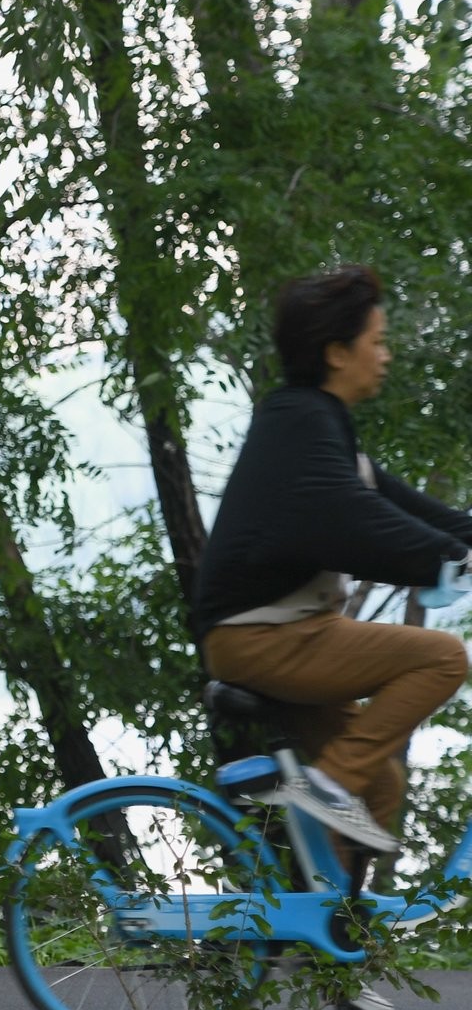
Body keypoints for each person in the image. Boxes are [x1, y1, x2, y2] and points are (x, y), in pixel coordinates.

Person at [194, 265, 472, 841]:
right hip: (263, 637)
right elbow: (347, 514)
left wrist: (453, 546)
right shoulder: (300, 425)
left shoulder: (316, 431)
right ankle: (328, 786)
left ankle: (310, 900)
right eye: (378, 341)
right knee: (443, 658)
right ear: (338, 353)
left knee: (380, 786)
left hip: (278, 634)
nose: (386, 355)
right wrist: (447, 559)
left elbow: (428, 516)